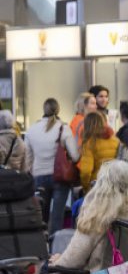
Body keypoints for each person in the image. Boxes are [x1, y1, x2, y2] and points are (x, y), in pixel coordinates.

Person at [24, 98, 79, 235]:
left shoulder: (32, 130)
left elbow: (28, 160)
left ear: (44, 109)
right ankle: (55, 248)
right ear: (58, 110)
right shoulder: (63, 128)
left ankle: (42, 245)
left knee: (41, 215)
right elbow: (76, 156)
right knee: (57, 216)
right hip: (59, 178)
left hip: (38, 177)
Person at [77, 111, 122, 192]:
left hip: (97, 185)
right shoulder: (115, 140)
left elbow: (86, 171)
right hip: (114, 183)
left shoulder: (89, 143)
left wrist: (86, 187)